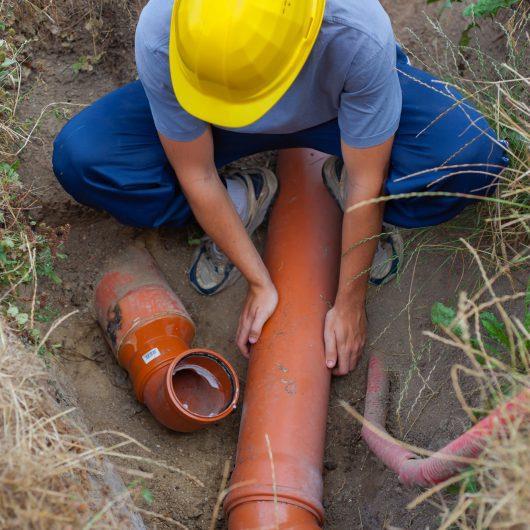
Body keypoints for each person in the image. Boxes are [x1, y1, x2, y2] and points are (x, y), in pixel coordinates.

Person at [52, 0, 508, 376]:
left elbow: (369, 178)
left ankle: (353, 197)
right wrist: (258, 279)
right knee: (85, 157)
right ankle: (239, 201)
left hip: (337, 109)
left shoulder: (354, 30)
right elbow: (196, 171)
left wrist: (349, 303)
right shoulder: (167, 29)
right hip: (217, 116)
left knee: (473, 156)